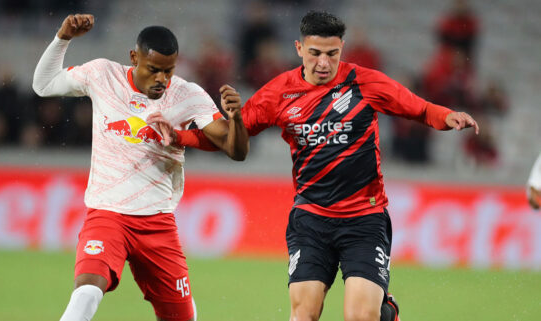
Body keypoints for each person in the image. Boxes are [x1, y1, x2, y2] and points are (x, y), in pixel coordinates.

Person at [177, 10, 480, 321]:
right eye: (315, 53)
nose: (323, 62)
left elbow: (416, 107)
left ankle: (382, 310)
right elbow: (229, 138)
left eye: (332, 54)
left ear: (342, 49)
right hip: (311, 220)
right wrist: (179, 137)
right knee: (303, 315)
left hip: (364, 219)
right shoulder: (279, 92)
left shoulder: (364, 82)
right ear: (299, 49)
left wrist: (446, 117)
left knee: (360, 317)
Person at [32, 13, 248, 321]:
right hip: (108, 214)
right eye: (154, 69)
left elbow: (235, 150)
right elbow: (43, 85)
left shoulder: (187, 94)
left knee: (181, 317)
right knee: (87, 291)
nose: (161, 78)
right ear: (134, 57)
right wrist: (62, 38)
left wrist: (236, 119)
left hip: (157, 222)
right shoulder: (103, 75)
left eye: (168, 71)